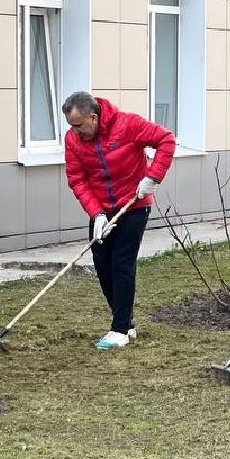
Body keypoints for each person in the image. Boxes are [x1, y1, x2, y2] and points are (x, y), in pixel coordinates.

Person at [62, 91, 176, 349]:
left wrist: (152, 177)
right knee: (102, 265)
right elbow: (77, 179)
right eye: (71, 127)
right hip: (102, 210)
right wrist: (96, 213)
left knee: (121, 263)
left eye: (79, 126)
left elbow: (166, 140)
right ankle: (126, 321)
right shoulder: (73, 140)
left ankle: (120, 330)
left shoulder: (127, 125)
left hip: (133, 204)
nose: (75, 132)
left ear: (93, 117)